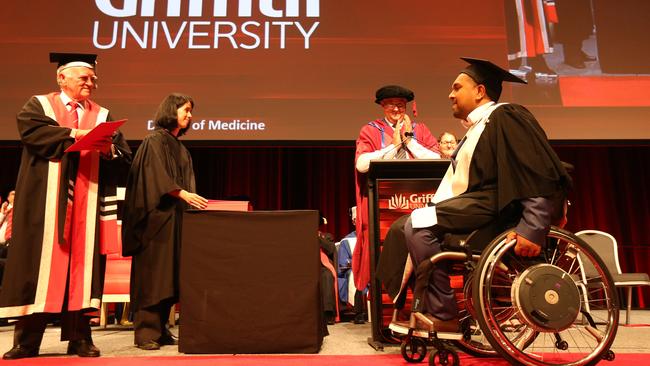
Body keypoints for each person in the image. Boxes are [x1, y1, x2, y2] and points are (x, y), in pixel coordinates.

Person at [404, 57, 571, 332]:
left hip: (497, 208)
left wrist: (532, 226)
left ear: (480, 91)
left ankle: (444, 314)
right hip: (480, 205)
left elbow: (533, 171)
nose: (450, 94)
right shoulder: (476, 128)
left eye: (457, 87)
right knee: (405, 228)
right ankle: (409, 314)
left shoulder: (506, 116)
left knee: (419, 224)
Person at [0, 53, 132, 359]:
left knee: (82, 271)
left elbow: (123, 155)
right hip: (44, 204)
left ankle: (80, 338)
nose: (91, 83)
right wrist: (76, 135)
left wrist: (109, 149)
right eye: (84, 78)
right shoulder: (39, 106)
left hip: (88, 204)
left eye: (93, 79)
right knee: (40, 267)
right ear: (62, 78)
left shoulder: (102, 115)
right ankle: (27, 341)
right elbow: (34, 135)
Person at [121, 93, 208, 350]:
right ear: (171, 110)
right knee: (153, 277)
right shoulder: (153, 141)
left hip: (175, 219)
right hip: (155, 222)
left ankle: (161, 329)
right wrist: (182, 194)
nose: (190, 115)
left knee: (171, 276)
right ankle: (145, 331)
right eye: (186, 110)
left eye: (191, 111)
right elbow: (154, 176)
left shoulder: (178, 146)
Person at [352, 85, 440, 308]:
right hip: (385, 204)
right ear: (382, 106)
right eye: (391, 104)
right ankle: (385, 306)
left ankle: (421, 302)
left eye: (401, 104)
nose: (396, 108)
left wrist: (409, 141)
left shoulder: (419, 129)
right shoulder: (370, 130)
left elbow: (436, 159)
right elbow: (362, 165)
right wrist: (392, 147)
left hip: (418, 199)